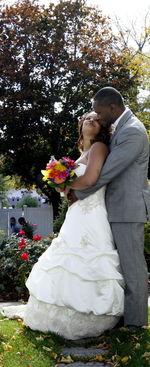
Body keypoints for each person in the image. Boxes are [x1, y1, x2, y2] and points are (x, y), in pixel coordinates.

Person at [1, 111, 124, 340]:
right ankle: (59, 313)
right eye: (87, 117)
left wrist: (67, 185)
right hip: (76, 212)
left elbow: (90, 179)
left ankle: (90, 318)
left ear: (101, 128)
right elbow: (69, 185)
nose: (91, 120)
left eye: (97, 120)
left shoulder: (99, 148)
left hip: (92, 211)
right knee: (67, 260)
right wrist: (60, 183)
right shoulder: (81, 153)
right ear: (81, 125)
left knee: (88, 259)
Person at [68, 87, 150, 330]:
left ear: (112, 108)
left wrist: (77, 191)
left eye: (99, 112)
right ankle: (121, 315)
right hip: (114, 208)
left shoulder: (133, 131)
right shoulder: (121, 128)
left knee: (132, 265)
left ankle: (135, 323)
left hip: (127, 208)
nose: (97, 117)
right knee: (118, 266)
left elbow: (107, 172)